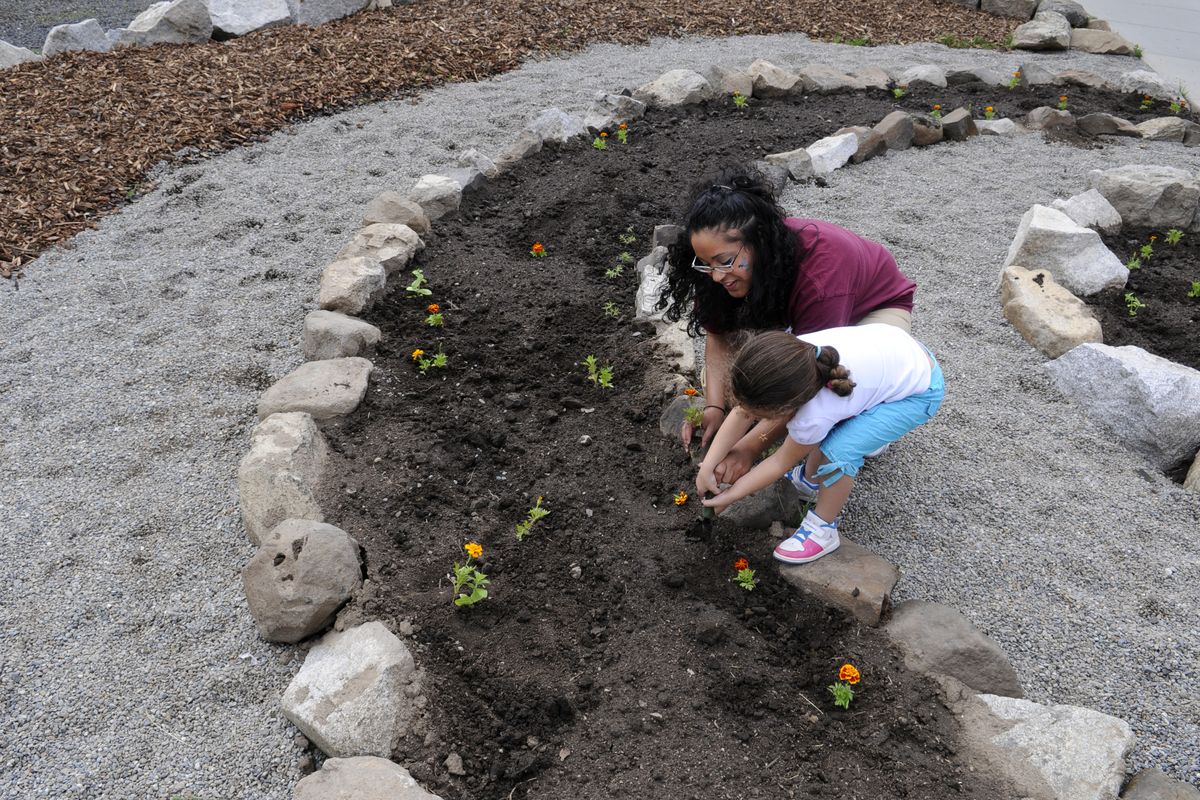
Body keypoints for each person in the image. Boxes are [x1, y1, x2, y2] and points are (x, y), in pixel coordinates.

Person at [659, 165, 917, 482]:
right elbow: (718, 335)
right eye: (705, 264)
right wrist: (715, 407)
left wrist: (748, 449)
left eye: (724, 262)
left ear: (758, 242)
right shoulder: (722, 265)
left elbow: (806, 376)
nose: (715, 276)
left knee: (834, 408)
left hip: (872, 315)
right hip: (806, 319)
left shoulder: (820, 280)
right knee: (741, 383)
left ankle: (877, 422)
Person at [695, 325, 944, 564]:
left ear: (786, 409)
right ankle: (810, 480)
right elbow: (742, 412)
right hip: (898, 356)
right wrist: (708, 466)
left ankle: (823, 528)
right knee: (831, 431)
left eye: (760, 415)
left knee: (839, 450)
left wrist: (732, 494)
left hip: (918, 393)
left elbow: (780, 461)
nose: (753, 416)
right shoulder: (793, 359)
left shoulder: (814, 414)